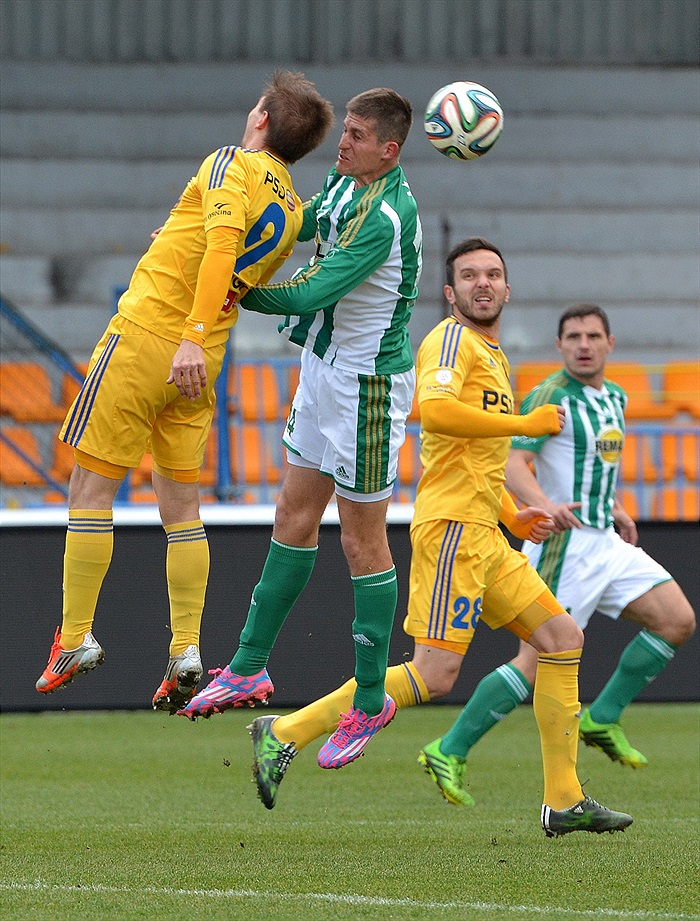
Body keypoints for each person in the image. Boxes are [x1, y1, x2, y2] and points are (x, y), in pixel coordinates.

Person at [244, 238, 634, 838]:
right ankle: (284, 732)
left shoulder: (492, 354)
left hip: (484, 532)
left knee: (561, 639)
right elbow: (437, 412)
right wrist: (526, 423)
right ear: (450, 293)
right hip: (451, 531)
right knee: (433, 675)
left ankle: (564, 800)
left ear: (508, 288)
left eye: (494, 275)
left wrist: (511, 512)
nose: (484, 284)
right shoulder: (450, 340)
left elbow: (474, 450)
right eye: (470, 276)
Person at [35, 71, 335, 713]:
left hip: (153, 339)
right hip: (200, 370)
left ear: (260, 118)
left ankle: (77, 636)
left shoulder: (231, 162)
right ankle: (186, 650)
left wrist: (190, 334)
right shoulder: (289, 212)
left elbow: (222, 245)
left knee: (89, 488)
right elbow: (214, 249)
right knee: (181, 507)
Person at [179, 88, 422, 768]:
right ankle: (251, 664)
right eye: (344, 129)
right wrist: (238, 212)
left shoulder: (388, 215)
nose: (341, 142)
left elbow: (315, 291)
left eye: (356, 133)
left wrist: (234, 285)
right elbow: (300, 225)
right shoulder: (345, 187)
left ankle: (370, 698)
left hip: (368, 386)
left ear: (388, 150)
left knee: (362, 540)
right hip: (324, 370)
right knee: (292, 512)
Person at [426, 303, 694, 772]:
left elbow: (590, 465)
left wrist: (613, 508)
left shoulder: (614, 397)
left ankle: (603, 717)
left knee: (677, 620)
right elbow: (510, 461)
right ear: (559, 346)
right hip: (562, 546)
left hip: (604, 540)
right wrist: (544, 504)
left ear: (611, 344)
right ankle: (449, 749)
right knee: (535, 660)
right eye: (573, 337)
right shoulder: (550, 395)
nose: (583, 345)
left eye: (592, 336)